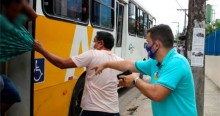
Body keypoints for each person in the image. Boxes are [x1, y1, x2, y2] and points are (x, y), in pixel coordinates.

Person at [93, 24, 198, 116]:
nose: (146, 46)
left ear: (156, 45)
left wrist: (135, 80)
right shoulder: (155, 62)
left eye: (148, 43)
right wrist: (106, 64)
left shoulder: (177, 63)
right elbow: (130, 64)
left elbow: (156, 94)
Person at [34, 31, 122, 116]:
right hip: (113, 111)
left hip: (93, 110)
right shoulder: (120, 60)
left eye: (94, 41)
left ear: (101, 43)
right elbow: (125, 81)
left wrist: (41, 50)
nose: (93, 44)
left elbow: (62, 64)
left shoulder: (93, 54)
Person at [0, 0, 37, 115]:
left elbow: (33, 15)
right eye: (15, 10)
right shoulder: (3, 22)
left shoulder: (10, 22)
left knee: (13, 94)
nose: (18, 14)